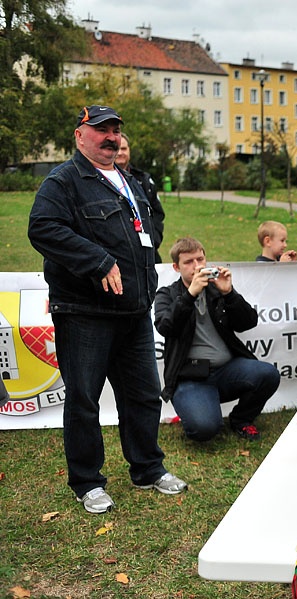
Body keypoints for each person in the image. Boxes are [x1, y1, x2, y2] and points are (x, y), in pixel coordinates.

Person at [28, 105, 186, 514]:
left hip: (133, 310)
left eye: (115, 130)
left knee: (144, 395)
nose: (111, 137)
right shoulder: (64, 181)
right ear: (80, 136)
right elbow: (43, 227)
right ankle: (87, 482)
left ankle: (148, 468)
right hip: (84, 312)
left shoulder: (130, 180)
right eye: (101, 131)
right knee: (84, 399)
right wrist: (97, 261)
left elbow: (146, 234)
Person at [154, 237, 281, 441]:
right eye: (189, 262)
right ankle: (197, 406)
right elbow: (165, 326)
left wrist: (229, 294)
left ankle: (241, 419)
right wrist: (190, 294)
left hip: (227, 370)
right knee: (204, 430)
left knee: (268, 374)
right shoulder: (167, 294)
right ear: (176, 267)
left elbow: (248, 322)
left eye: (200, 259)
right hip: (190, 376)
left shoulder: (216, 289)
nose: (197, 266)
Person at [115, 132, 166, 263]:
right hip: (118, 255)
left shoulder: (143, 180)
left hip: (149, 253)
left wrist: (154, 240)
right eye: (117, 148)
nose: (120, 153)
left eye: (124, 148)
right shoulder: (99, 180)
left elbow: (158, 214)